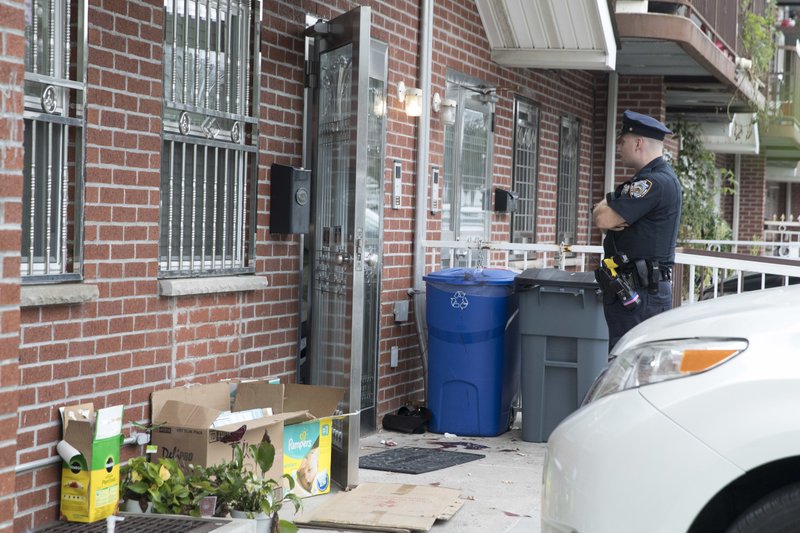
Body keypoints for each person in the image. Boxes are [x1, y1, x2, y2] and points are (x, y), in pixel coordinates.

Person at [592, 110, 682, 351]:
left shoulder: (653, 183)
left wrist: (611, 203)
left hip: (642, 294)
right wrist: (610, 206)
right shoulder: (650, 180)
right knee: (627, 364)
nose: (619, 147)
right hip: (633, 292)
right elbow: (602, 217)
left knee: (635, 367)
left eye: (623, 141)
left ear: (638, 142)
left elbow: (603, 218)